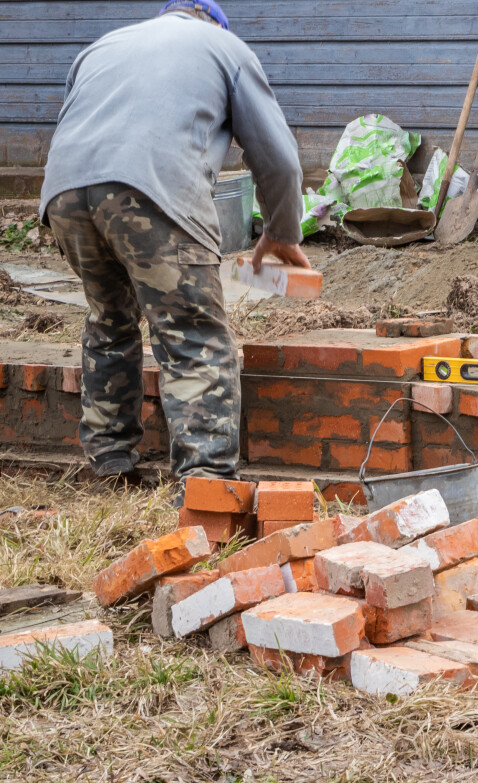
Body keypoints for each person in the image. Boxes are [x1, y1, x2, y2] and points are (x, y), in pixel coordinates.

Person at [39, 1, 309, 482]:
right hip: (151, 191)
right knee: (192, 333)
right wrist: (281, 232)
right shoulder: (226, 48)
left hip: (65, 195)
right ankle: (205, 483)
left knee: (110, 319)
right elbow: (279, 160)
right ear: (216, 23)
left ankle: (110, 460)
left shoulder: (103, 46)